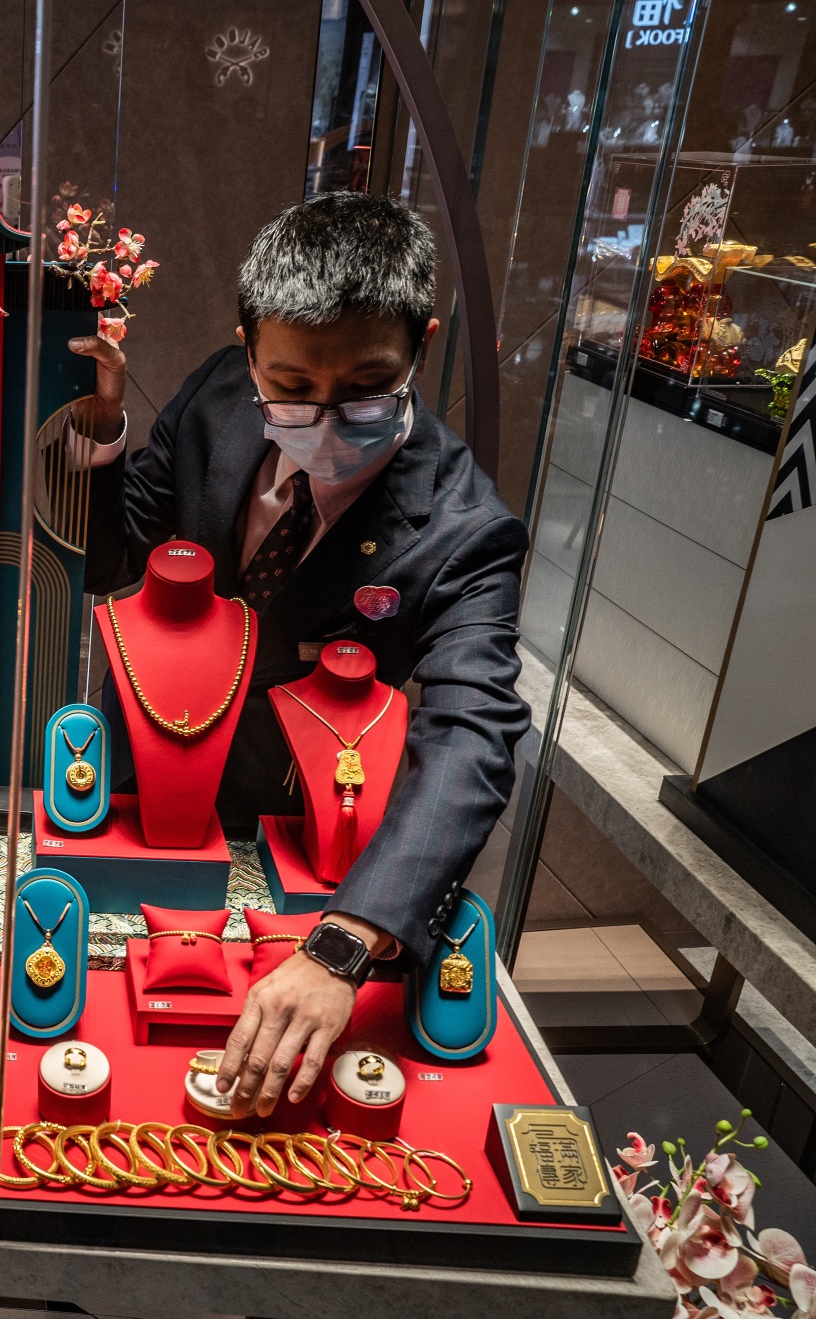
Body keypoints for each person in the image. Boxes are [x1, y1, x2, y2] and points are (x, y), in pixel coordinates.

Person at [73, 192, 529, 1121]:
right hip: (149, 785)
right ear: (246, 349)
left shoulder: (462, 531)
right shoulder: (214, 398)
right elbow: (121, 548)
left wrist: (348, 938)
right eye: (292, 386)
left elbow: (471, 736)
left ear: (421, 349)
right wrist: (107, 428)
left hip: (312, 841)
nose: (324, 415)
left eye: (365, 388)